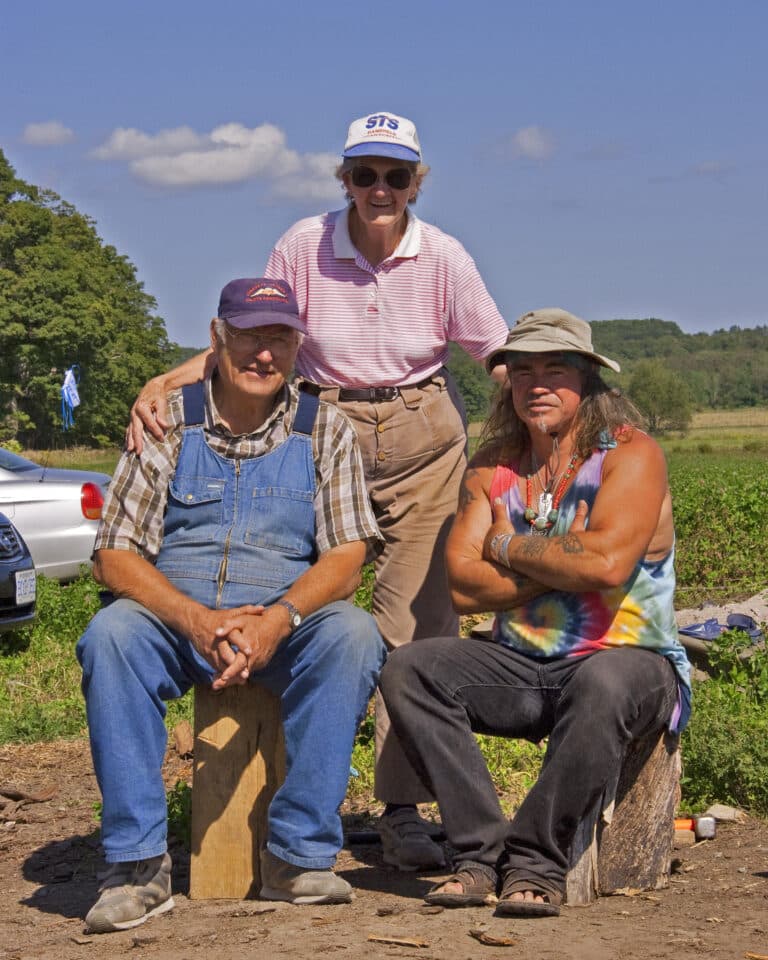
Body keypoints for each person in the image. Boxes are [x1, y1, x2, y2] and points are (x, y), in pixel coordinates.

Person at [126, 111, 510, 871]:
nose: (379, 188)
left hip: (421, 430)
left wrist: (546, 415)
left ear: (415, 184)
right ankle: (292, 800)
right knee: (303, 600)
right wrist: (163, 382)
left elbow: (493, 351)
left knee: (416, 627)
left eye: (395, 175)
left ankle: (402, 809)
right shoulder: (305, 245)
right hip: (318, 426)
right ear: (344, 181)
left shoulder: (444, 257)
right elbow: (253, 335)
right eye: (364, 174)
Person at [77, 278, 386, 934]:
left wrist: (278, 620)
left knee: (353, 634)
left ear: (298, 346)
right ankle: (137, 865)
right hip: (175, 622)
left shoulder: (324, 428)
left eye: (278, 337)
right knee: (110, 635)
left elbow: (345, 558)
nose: (262, 354)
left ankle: (297, 856)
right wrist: (196, 619)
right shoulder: (167, 419)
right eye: (248, 334)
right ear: (217, 338)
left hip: (283, 625)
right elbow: (114, 554)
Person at [379, 308, 692, 916]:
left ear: (589, 380)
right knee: (410, 669)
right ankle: (479, 852)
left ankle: (535, 861)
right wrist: (557, 563)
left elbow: (605, 568)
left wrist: (504, 546)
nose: (537, 384)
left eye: (556, 369)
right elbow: (466, 589)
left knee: (603, 682)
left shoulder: (631, 455)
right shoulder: (495, 463)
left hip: (629, 664)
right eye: (521, 371)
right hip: (522, 667)